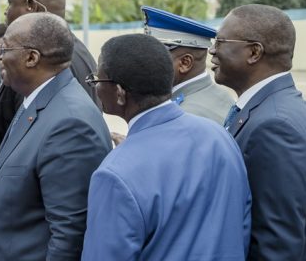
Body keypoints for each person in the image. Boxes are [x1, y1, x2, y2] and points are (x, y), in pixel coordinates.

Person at [82, 34, 251, 260]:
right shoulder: (219, 136)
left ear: (120, 93)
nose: (95, 88)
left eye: (97, 81)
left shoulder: (114, 175)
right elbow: (242, 224)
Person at [0, 13, 111, 260]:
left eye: (5, 48)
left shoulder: (70, 124)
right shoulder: (37, 101)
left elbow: (69, 235)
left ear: (31, 57)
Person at [211, 4, 306, 260]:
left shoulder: (275, 125)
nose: (212, 50)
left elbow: (276, 243)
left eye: (220, 41)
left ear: (254, 52)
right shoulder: (267, 109)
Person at [0, 0, 97, 150]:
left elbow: (25, 139)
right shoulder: (79, 52)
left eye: (10, 3)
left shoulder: (43, 63)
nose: (6, 11)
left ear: (31, 7)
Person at [142, 6, 235, 123]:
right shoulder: (221, 96)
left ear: (185, 63)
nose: (145, 62)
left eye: (154, 56)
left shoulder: (180, 117)